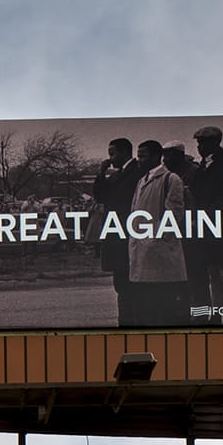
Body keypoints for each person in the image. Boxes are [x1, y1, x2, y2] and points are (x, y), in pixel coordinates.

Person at [124, 140, 189, 325]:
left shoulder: (171, 179)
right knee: (145, 307)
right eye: (138, 156)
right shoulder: (141, 180)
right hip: (141, 250)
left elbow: (173, 214)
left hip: (159, 253)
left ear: (155, 156)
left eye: (143, 156)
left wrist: (154, 239)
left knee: (162, 306)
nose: (139, 160)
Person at [191, 125, 223, 317]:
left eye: (203, 142)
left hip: (222, 225)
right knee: (213, 271)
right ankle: (218, 311)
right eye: (198, 142)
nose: (199, 146)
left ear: (215, 142)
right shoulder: (204, 166)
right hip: (207, 225)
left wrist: (209, 216)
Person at [92, 137, 143, 319]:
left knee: (128, 283)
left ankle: (130, 320)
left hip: (127, 231)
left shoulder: (136, 172)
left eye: (113, 154)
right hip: (117, 231)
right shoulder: (116, 175)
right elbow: (101, 197)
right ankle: (126, 319)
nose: (110, 158)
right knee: (121, 283)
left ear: (124, 152)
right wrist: (101, 174)